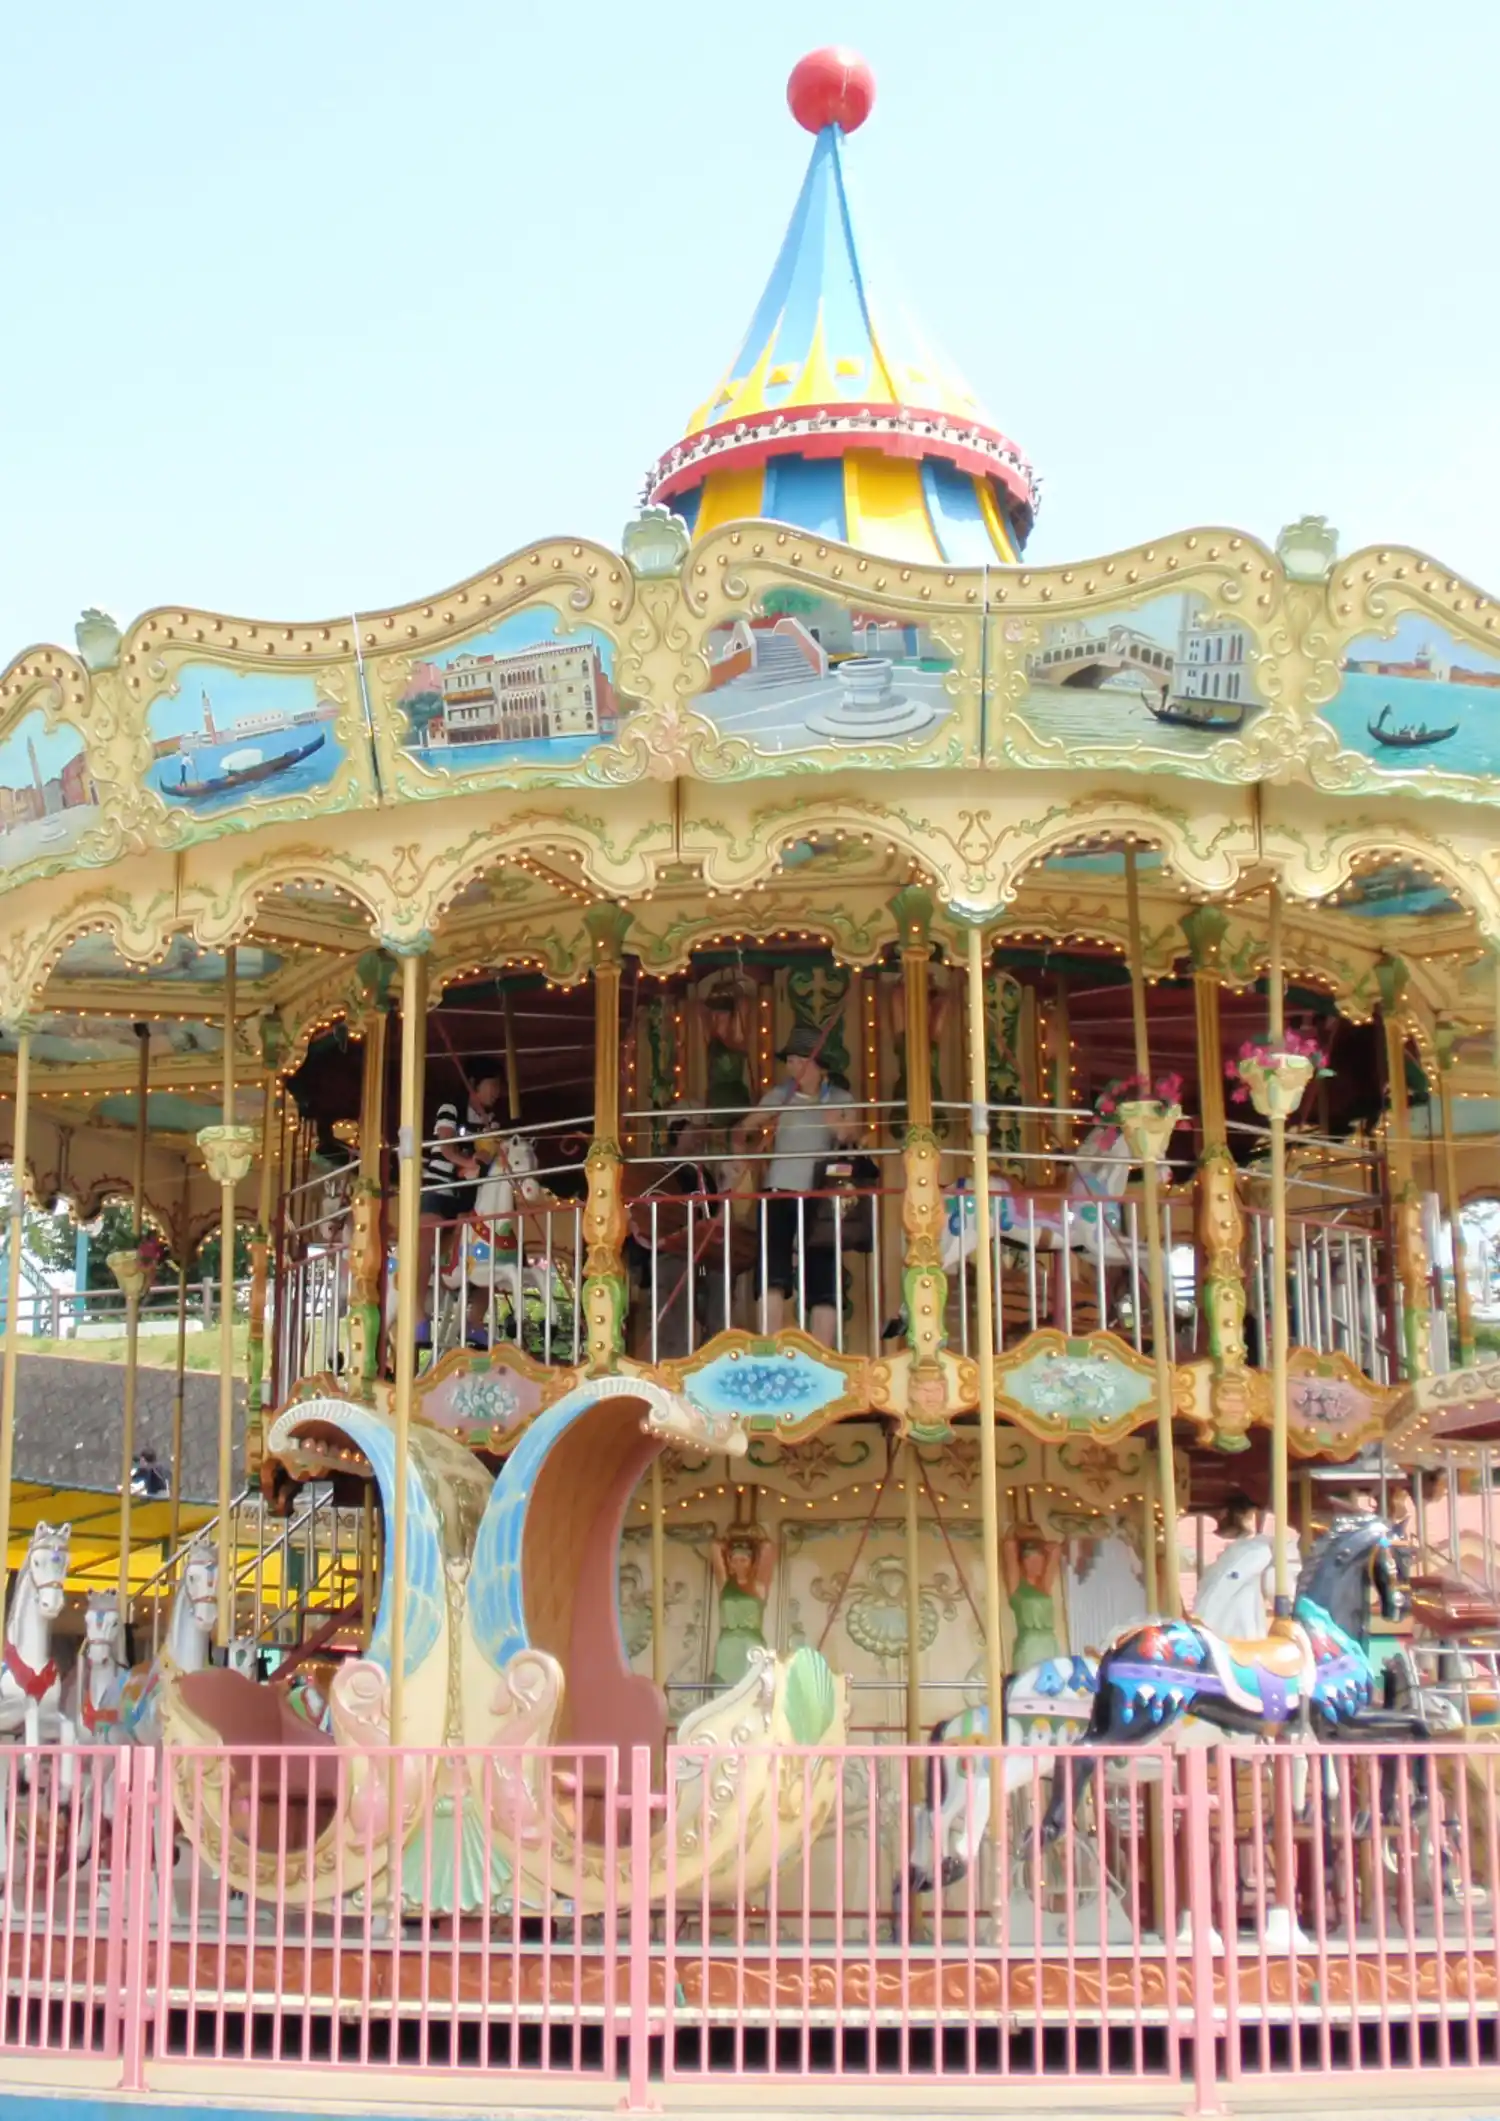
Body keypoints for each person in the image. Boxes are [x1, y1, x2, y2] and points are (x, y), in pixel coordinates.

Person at [733, 1023, 858, 1344]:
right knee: (772, 1266)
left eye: (801, 1060)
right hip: (779, 1189)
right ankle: (769, 1342)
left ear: (819, 1066)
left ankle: (821, 1349)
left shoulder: (840, 1098)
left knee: (823, 1268)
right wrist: (749, 1137)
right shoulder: (780, 1096)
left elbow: (853, 1135)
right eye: (790, 1060)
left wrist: (838, 1124)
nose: (793, 1067)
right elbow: (743, 1130)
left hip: (821, 1192)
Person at [415, 1062, 505, 1349]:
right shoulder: (450, 1108)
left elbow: (488, 1153)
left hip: (468, 1193)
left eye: (499, 1087)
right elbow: (446, 1147)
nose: (496, 1092)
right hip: (440, 1186)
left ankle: (475, 1321)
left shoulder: (491, 1121)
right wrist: (467, 1162)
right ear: (474, 1083)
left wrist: (480, 1161)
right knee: (425, 1239)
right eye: (492, 1085)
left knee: (495, 1250)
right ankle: (417, 1315)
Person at [710, 1530, 775, 1688]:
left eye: (743, 1560)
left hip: (751, 1644)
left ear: (751, 1562)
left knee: (750, 1687)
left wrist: (752, 1536)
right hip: (727, 1645)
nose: (739, 1564)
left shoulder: (759, 1586)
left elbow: (768, 1547)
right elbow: (714, 1547)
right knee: (724, 1688)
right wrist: (728, 1540)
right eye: (735, 1560)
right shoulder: (725, 1585)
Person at [1002, 1523, 1062, 1670]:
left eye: (1040, 1560)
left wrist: (1039, 1543)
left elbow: (1056, 1549)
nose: (1038, 1565)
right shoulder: (1017, 1587)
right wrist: (1020, 1535)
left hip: (1049, 1642)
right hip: (1029, 1644)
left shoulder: (1044, 1586)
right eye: (1032, 1560)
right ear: (1023, 1563)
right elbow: (1009, 1546)